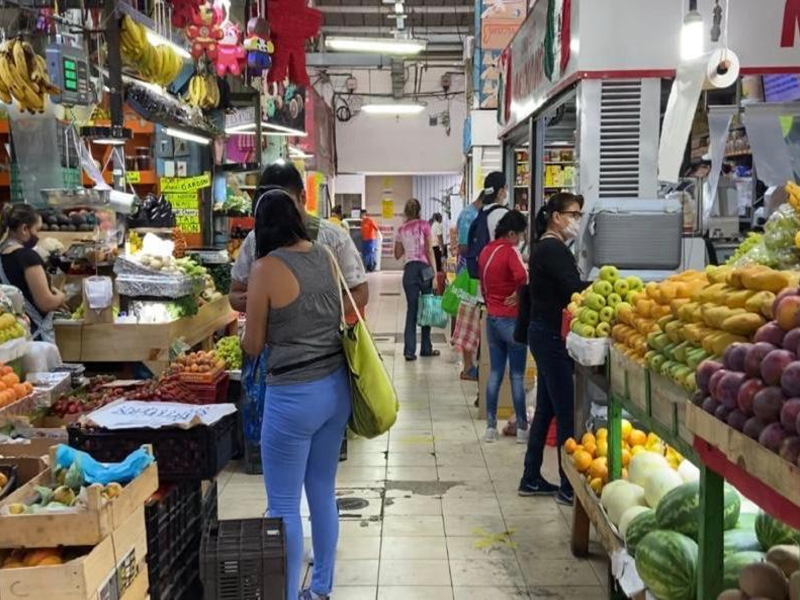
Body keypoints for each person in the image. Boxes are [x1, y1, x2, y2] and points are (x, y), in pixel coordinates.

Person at [242, 189, 350, 600]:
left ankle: (286, 594)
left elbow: (253, 345)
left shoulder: (266, 268)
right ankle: (320, 588)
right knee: (322, 490)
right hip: (335, 388)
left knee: (284, 504)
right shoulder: (325, 255)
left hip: (293, 397)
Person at [519, 192, 587, 506]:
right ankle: (567, 485)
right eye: (573, 214)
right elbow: (574, 289)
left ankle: (531, 477)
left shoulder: (545, 248)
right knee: (565, 413)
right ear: (556, 217)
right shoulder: (553, 249)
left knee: (546, 409)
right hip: (551, 337)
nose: (576, 221)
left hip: (542, 333)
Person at [229, 162, 368, 315]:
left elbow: (360, 292)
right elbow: (235, 294)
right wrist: (260, 302)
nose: (278, 214)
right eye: (270, 206)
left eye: (285, 205)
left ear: (303, 197)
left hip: (326, 336)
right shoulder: (253, 240)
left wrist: (322, 317)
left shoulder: (333, 238)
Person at [478, 210, 530, 443]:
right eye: (519, 235)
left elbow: (483, 283)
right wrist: (519, 296)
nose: (520, 240)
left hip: (492, 319)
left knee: (495, 373)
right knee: (517, 376)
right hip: (511, 320)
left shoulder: (486, 251)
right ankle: (521, 429)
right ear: (511, 233)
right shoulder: (510, 252)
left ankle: (490, 428)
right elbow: (522, 277)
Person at [0, 204, 64, 342]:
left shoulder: (1, 255)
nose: (38, 235)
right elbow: (46, 303)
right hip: (34, 339)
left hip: (10, 336)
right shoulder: (28, 257)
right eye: (37, 229)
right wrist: (61, 297)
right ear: (24, 229)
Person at [395, 198, 440, 361]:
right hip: (425, 269)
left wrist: (406, 244)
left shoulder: (401, 230)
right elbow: (429, 250)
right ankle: (426, 348)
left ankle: (409, 351)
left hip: (410, 271)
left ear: (406, 212)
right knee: (427, 307)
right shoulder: (424, 225)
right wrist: (435, 274)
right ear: (419, 210)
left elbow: (397, 254)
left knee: (412, 310)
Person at [454, 191, 484, 381]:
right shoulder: (469, 215)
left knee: (473, 322)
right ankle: (468, 367)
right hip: (468, 274)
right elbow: (464, 247)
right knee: (468, 321)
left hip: (473, 274)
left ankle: (472, 365)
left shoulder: (475, 214)